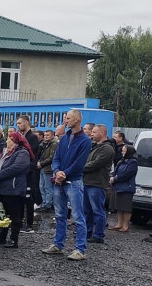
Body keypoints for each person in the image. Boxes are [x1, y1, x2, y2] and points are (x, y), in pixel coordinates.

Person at [42, 110, 91, 260]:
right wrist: (57, 171)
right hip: (59, 181)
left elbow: (79, 163)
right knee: (59, 214)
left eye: (68, 118)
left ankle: (80, 249)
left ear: (77, 120)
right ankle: (58, 244)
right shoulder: (64, 139)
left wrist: (64, 174)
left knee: (77, 215)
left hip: (73, 182)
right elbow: (56, 157)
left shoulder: (85, 141)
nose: (66, 121)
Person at [0, 130, 32, 248]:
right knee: (4, 214)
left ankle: (14, 239)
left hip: (15, 189)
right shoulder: (6, 152)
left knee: (15, 215)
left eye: (9, 138)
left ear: (15, 141)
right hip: (3, 187)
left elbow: (16, 168)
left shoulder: (22, 153)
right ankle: (2, 236)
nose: (7, 140)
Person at [83, 124, 115, 244]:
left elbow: (96, 164)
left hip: (97, 183)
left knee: (98, 210)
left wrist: (80, 168)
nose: (91, 134)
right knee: (87, 210)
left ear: (102, 133)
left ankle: (99, 235)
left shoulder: (107, 149)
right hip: (87, 181)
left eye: (94, 132)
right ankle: (88, 232)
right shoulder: (95, 146)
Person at [17, 115, 42, 233]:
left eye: (20, 123)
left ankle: (29, 224)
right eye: (17, 123)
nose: (18, 125)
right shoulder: (21, 136)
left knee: (29, 197)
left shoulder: (32, 137)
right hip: (22, 170)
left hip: (30, 170)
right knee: (21, 197)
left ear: (26, 123)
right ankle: (20, 221)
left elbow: (30, 152)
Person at [110, 144, 138, 233]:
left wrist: (115, 178)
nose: (122, 152)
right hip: (118, 187)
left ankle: (125, 225)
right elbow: (115, 171)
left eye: (124, 151)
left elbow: (126, 174)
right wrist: (111, 176)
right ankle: (119, 224)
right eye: (122, 150)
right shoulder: (121, 161)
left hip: (127, 188)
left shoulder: (133, 162)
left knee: (126, 208)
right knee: (118, 206)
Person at [37, 129, 58, 210]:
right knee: (41, 186)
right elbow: (42, 156)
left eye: (48, 135)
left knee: (48, 187)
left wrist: (41, 163)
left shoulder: (54, 145)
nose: (46, 137)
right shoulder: (44, 145)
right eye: (45, 135)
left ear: (53, 136)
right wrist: (39, 162)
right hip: (43, 168)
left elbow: (52, 157)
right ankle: (44, 202)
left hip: (48, 169)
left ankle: (48, 204)